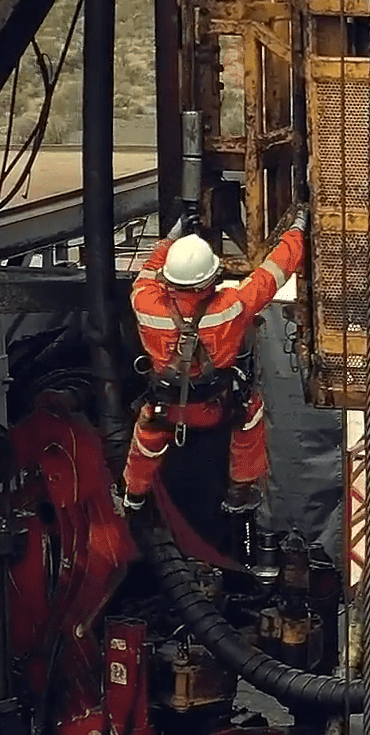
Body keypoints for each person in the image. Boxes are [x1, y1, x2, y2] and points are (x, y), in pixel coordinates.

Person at [117, 206, 308, 516]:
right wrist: (298, 230)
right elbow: (273, 273)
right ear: (211, 279)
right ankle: (239, 492)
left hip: (166, 410)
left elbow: (148, 273)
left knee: (147, 438)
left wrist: (172, 237)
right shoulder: (231, 307)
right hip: (218, 407)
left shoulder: (144, 303)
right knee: (250, 416)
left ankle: (134, 494)